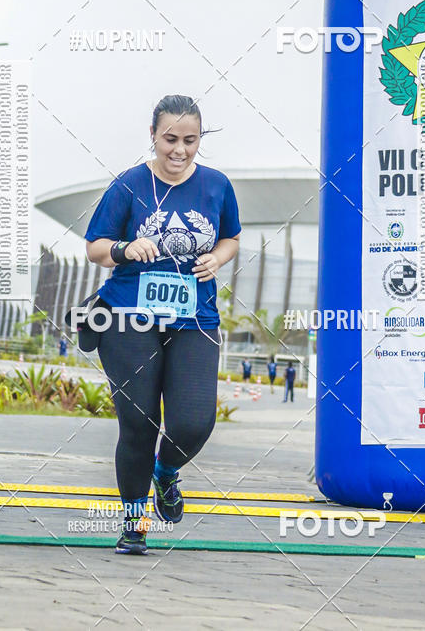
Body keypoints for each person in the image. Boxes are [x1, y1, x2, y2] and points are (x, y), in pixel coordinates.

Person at [84, 95, 241, 556]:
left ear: (200, 139)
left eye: (189, 140)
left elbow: (231, 236)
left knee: (194, 423)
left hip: (195, 317)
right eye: (170, 139)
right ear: (152, 135)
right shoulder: (129, 184)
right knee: (138, 423)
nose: (179, 150)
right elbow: (94, 246)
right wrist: (124, 249)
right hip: (128, 316)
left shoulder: (216, 186)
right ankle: (134, 525)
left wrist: (219, 257)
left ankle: (166, 471)